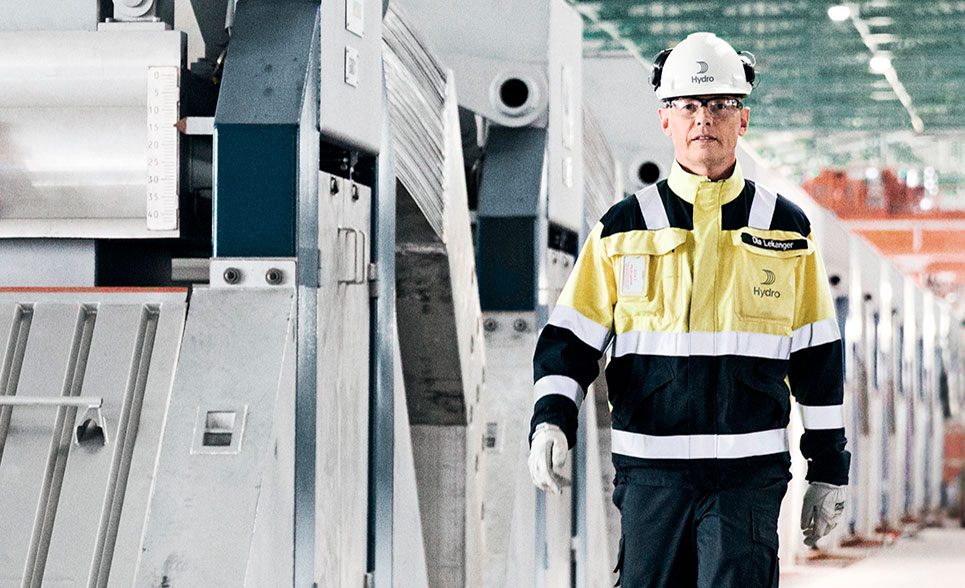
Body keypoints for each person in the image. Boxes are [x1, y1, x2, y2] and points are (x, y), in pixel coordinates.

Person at [527, 32, 850, 588]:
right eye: (690, 106)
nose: (705, 118)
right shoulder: (623, 226)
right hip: (653, 480)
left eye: (721, 105)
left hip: (746, 482)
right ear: (666, 120)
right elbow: (570, 339)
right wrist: (550, 420)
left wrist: (829, 470)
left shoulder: (786, 228)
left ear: (741, 120)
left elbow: (818, 358)